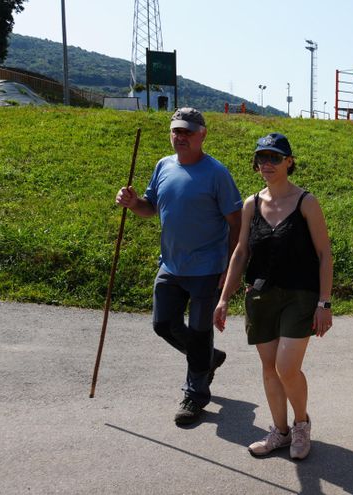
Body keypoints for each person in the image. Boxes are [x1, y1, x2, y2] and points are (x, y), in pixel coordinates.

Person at [115, 108, 242, 425]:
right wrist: (133, 204)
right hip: (171, 265)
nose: (180, 136)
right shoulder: (163, 166)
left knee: (199, 334)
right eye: (176, 131)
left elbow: (236, 222)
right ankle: (208, 359)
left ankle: (195, 395)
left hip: (207, 268)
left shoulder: (216, 174)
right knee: (163, 324)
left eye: (187, 131)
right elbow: (150, 207)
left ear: (202, 134)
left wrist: (229, 265)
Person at [213, 133, 333, 460]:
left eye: (274, 157)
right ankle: (280, 432)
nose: (267, 163)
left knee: (286, 368)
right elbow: (241, 252)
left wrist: (324, 302)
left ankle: (301, 425)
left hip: (300, 296)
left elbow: (324, 254)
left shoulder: (306, 202)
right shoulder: (251, 203)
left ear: (289, 162)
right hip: (261, 296)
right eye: (262, 157)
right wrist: (224, 298)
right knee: (269, 368)